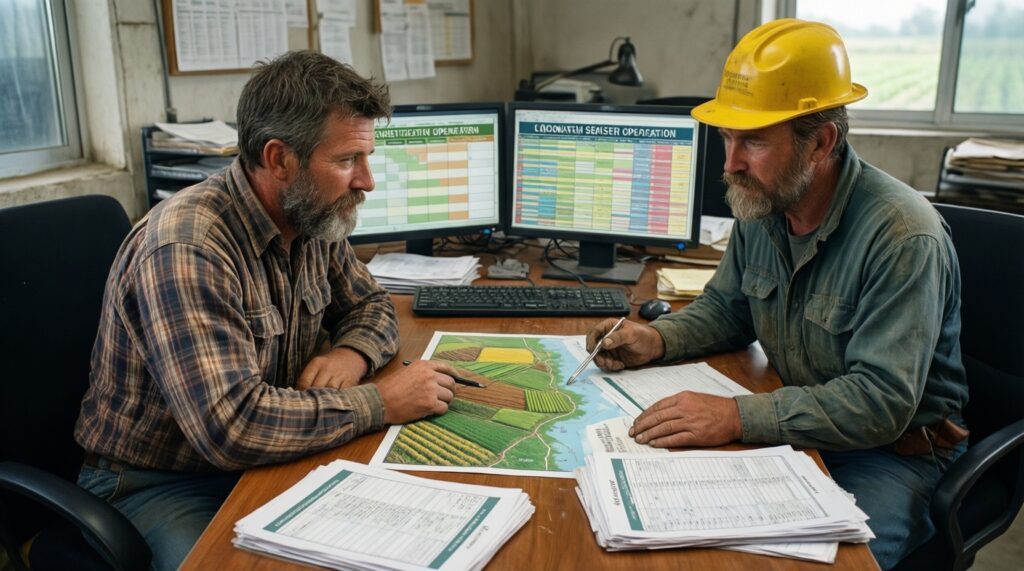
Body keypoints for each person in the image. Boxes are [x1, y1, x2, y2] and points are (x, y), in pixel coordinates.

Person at [585, 19, 968, 570]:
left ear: (822, 143)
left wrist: (737, 417)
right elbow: (727, 308)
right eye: (727, 137)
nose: (730, 163)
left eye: (755, 140)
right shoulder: (763, 201)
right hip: (799, 425)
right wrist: (656, 338)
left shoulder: (903, 236)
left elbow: (879, 402)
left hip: (890, 453)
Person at [73, 50, 460, 571]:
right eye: (347, 160)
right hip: (158, 481)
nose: (367, 181)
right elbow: (230, 426)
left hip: (266, 453)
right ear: (280, 159)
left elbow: (372, 305)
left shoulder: (311, 217)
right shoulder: (188, 249)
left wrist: (352, 353)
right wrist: (379, 403)